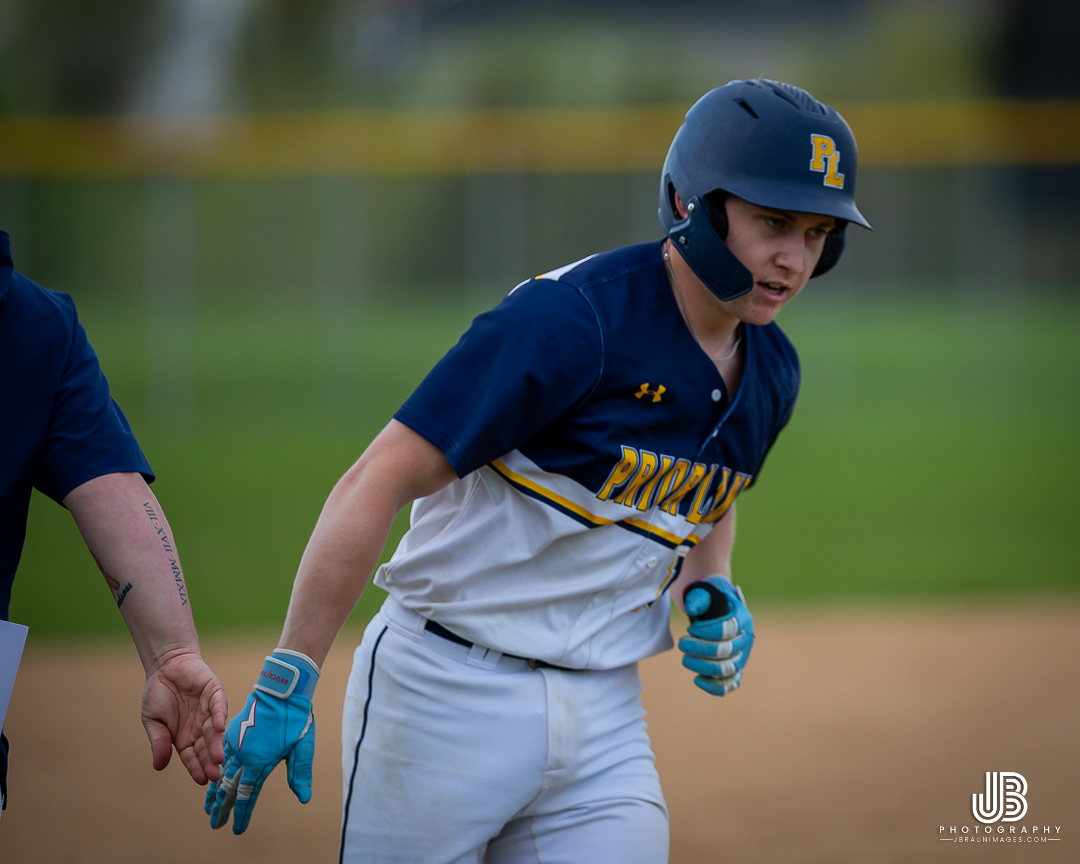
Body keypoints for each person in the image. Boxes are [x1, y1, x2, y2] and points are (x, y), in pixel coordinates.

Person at [206, 78, 870, 862]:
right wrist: (291, 671)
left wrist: (711, 585)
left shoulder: (771, 371)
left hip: (605, 713)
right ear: (695, 203)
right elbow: (375, 480)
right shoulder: (570, 322)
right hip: (444, 693)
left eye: (819, 232)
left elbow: (707, 490)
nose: (794, 258)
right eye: (774, 222)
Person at [0, 231, 227, 812]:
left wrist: (172, 654)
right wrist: (171, 653)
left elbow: (112, 488)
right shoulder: (30, 322)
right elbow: (111, 484)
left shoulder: (33, 324)